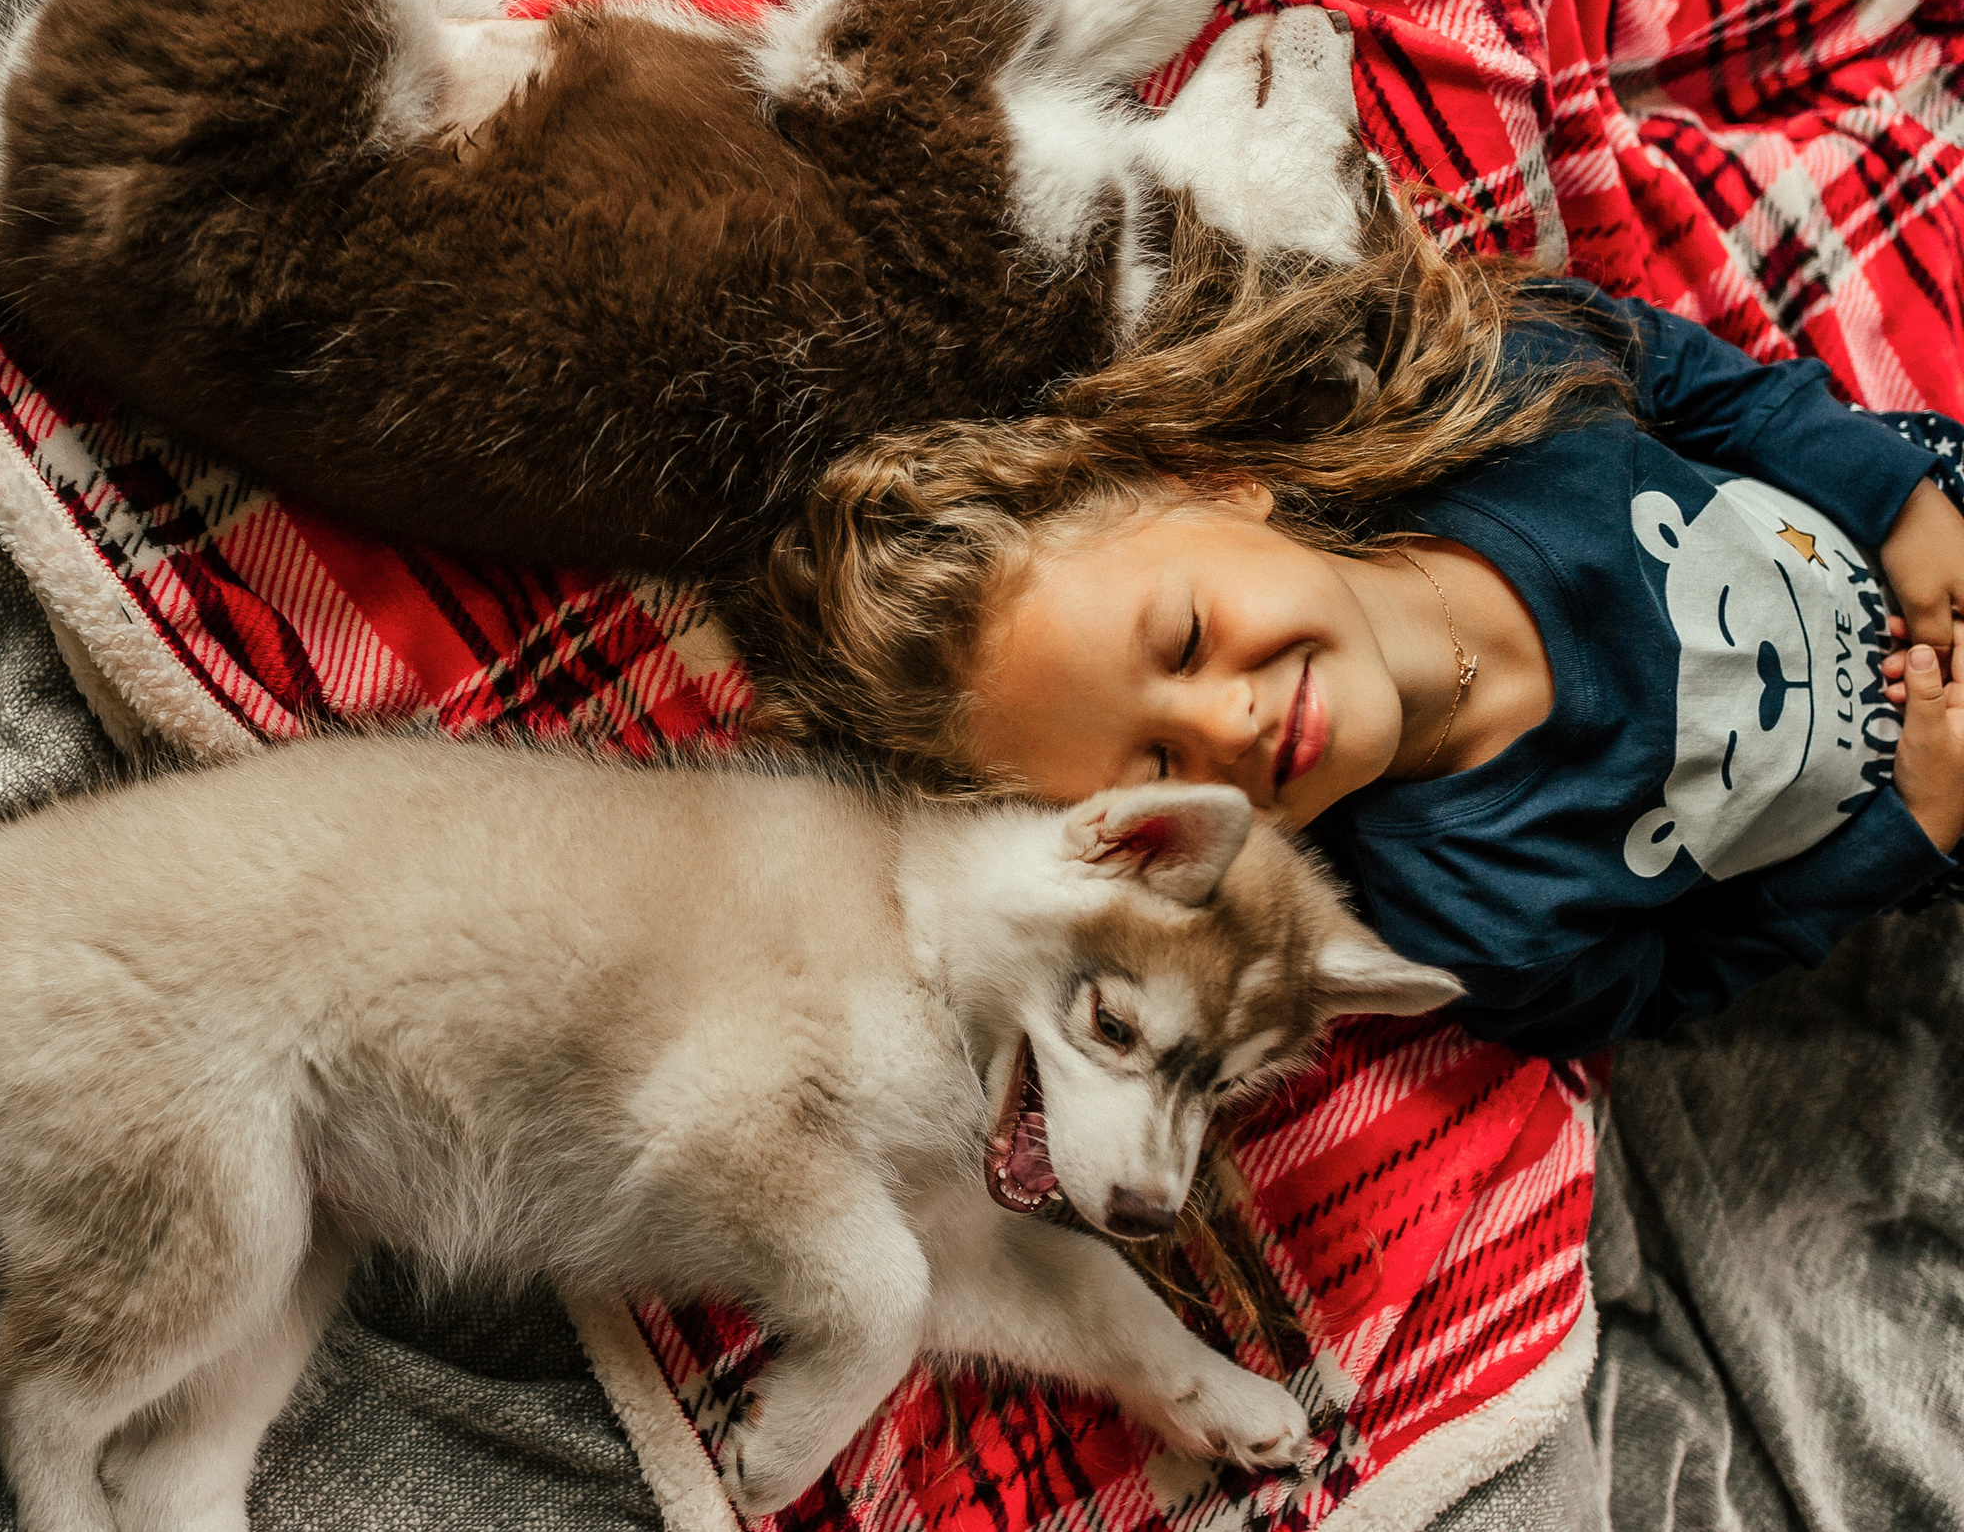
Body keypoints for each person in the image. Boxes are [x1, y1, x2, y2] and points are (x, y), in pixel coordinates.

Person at [744, 210, 1964, 1058]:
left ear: (1217, 484)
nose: (1226, 725)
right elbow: (1668, 979)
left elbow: (1692, 379)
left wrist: (1895, 501)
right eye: (1157, 772)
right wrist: (1907, 831)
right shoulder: (1461, 925)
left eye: (1182, 639)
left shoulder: (1503, 396)